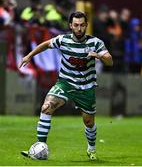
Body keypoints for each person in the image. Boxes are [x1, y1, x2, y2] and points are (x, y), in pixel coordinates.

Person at [19, 11, 113, 160]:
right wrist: (29, 55)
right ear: (70, 25)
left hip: (85, 88)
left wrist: (99, 55)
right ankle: (40, 146)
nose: (79, 28)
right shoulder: (63, 40)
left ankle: (91, 148)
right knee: (46, 107)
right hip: (65, 83)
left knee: (89, 122)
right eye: (76, 25)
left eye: (82, 25)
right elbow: (46, 44)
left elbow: (110, 61)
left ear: (87, 25)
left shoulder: (95, 42)